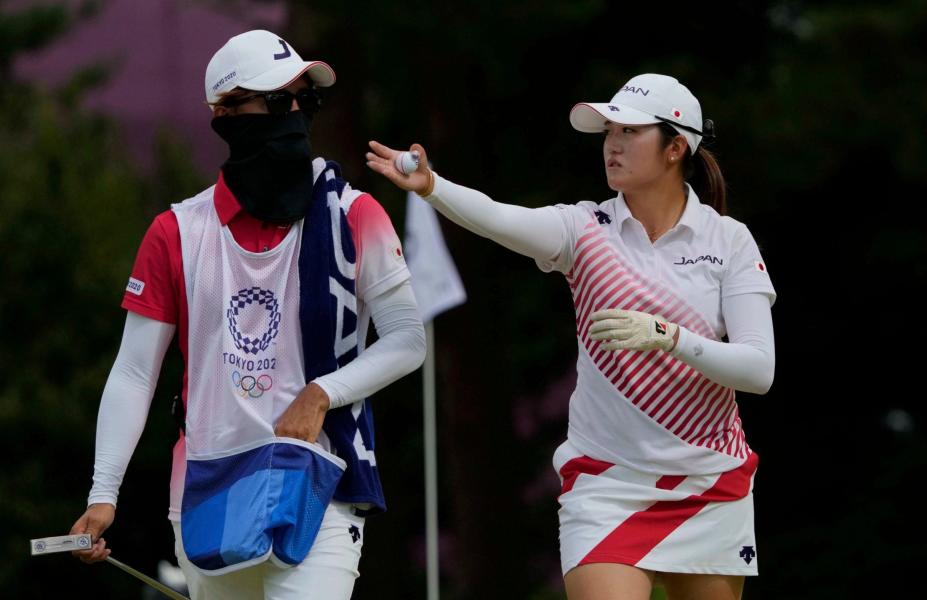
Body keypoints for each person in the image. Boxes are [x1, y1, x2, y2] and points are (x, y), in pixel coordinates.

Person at [367, 73, 775, 600]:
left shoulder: (729, 240)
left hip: (709, 481)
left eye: (629, 132)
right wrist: (432, 186)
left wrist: (670, 337)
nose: (612, 144)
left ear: (676, 147)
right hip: (607, 483)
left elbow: (758, 370)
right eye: (609, 132)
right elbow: (499, 219)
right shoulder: (584, 230)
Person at [69, 29, 425, 600]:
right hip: (208, 493)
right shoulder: (175, 232)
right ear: (226, 114)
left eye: (302, 102)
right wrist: (101, 493)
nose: (295, 117)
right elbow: (136, 372)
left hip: (320, 485)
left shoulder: (355, 213)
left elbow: (408, 338)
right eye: (278, 102)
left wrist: (322, 393)